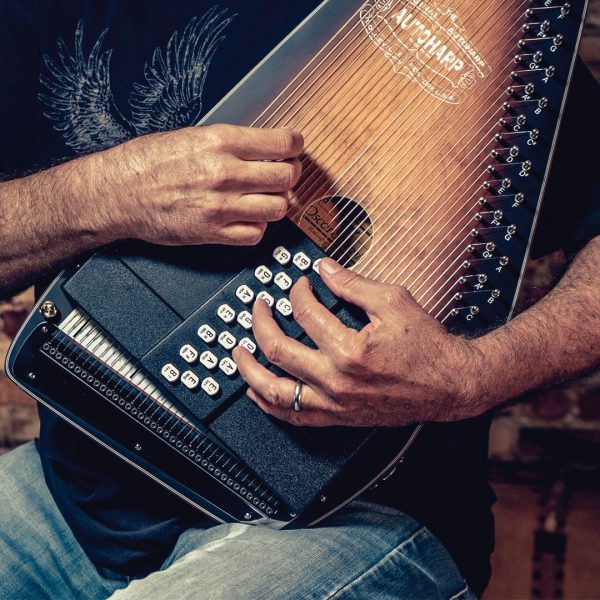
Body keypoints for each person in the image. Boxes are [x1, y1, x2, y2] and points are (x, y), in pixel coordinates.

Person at [0, 1, 598, 598]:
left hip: (350, 520)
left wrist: (475, 375)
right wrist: (105, 191)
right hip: (71, 494)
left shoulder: (465, 23)